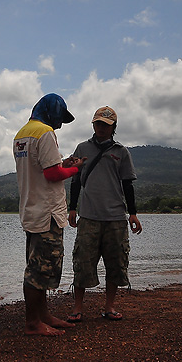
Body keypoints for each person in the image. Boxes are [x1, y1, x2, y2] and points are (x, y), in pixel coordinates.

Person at [13, 93, 86, 336]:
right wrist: (75, 169)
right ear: (51, 111)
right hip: (47, 214)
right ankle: (33, 323)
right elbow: (52, 175)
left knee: (37, 266)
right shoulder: (45, 133)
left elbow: (44, 167)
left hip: (31, 210)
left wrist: (64, 163)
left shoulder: (22, 134)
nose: (61, 124)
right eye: (60, 117)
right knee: (39, 270)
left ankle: (43, 315)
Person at [67, 106, 142, 322]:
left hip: (116, 218)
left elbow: (128, 185)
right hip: (88, 216)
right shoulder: (82, 148)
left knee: (116, 263)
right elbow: (75, 181)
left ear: (113, 128)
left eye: (106, 125)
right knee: (82, 263)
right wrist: (72, 208)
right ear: (93, 124)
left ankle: (109, 307)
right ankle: (77, 308)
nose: (101, 128)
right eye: (98, 123)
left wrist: (133, 214)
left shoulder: (121, 152)